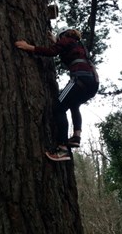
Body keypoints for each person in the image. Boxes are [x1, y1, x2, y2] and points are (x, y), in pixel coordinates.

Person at [15, 27, 99, 162]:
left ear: (62, 36)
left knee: (59, 107)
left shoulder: (66, 40)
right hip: (92, 83)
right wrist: (56, 41)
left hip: (79, 80)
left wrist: (28, 47)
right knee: (74, 104)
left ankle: (62, 148)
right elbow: (65, 53)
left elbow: (52, 52)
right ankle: (76, 136)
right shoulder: (79, 45)